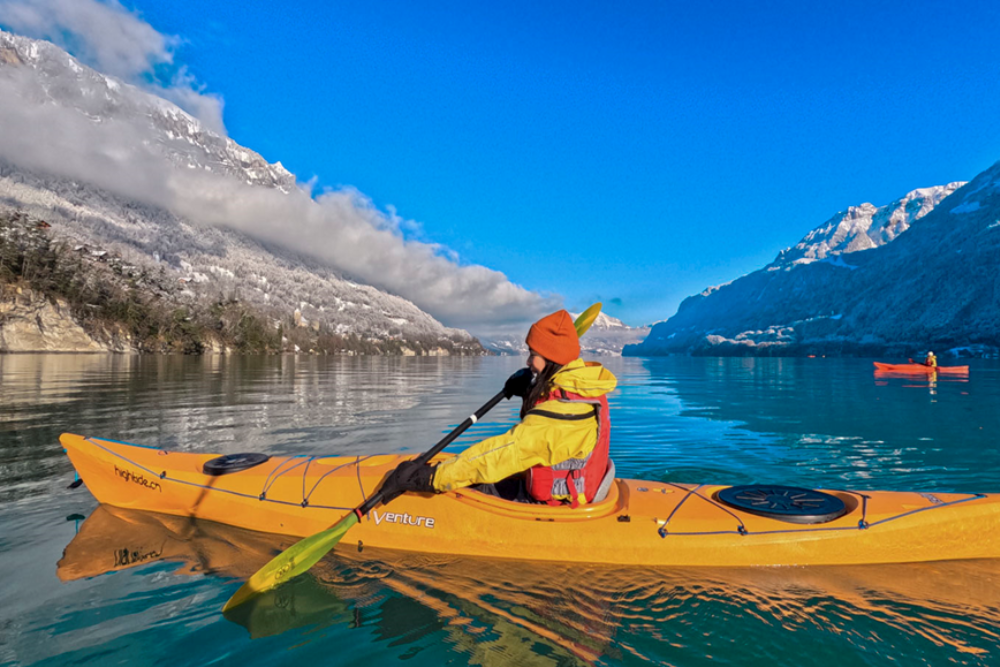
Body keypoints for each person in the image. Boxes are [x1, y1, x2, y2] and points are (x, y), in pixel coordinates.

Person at [380, 309, 618, 507]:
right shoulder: (578, 385)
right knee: (476, 477)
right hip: (564, 492)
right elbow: (545, 426)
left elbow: (507, 452)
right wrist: (530, 390)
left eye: (533, 355)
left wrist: (433, 478)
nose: (527, 362)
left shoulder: (566, 414)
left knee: (468, 486)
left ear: (552, 360)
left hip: (557, 505)